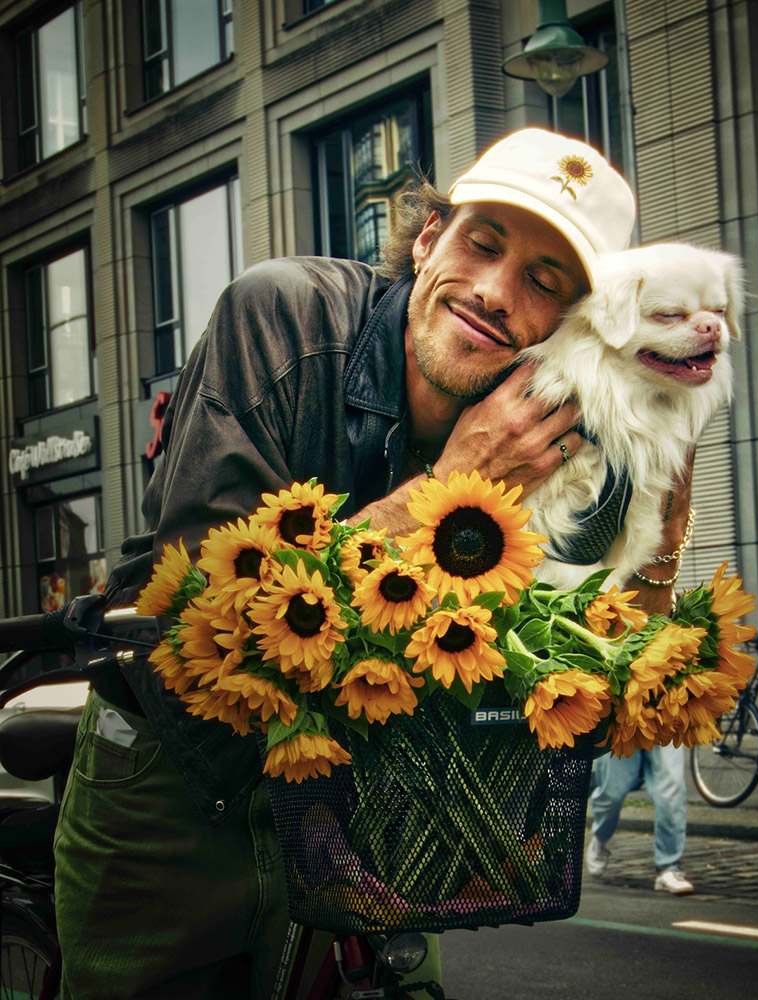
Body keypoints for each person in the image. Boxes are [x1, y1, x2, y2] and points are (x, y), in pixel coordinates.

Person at [52, 127, 690, 1000]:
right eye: (483, 243)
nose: (496, 292)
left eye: (545, 282)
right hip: (177, 783)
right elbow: (212, 628)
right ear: (428, 239)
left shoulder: (561, 433)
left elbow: (608, 681)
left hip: (366, 808)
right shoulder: (282, 320)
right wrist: (453, 487)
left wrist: (661, 526)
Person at [585, 745, 694, 895]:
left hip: (665, 723)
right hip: (618, 723)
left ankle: (669, 866)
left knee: (672, 789)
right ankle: (601, 836)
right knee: (612, 793)